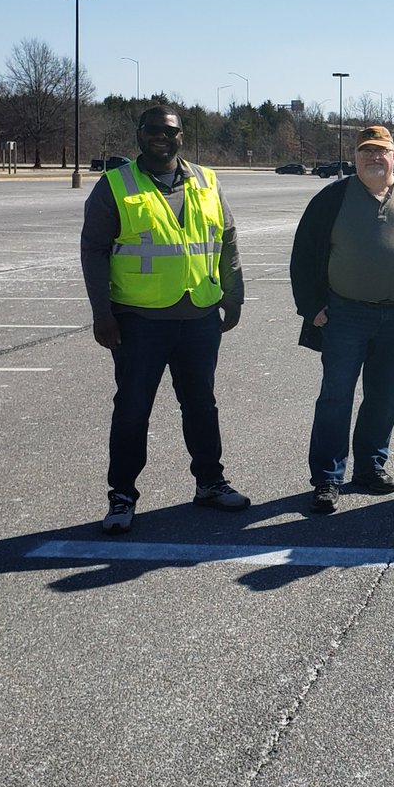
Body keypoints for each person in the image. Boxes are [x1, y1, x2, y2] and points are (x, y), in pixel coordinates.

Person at [81, 105, 249, 535]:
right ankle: (122, 495)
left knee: (201, 405)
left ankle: (210, 482)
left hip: (199, 316)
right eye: (153, 130)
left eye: (170, 131)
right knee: (133, 409)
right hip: (139, 320)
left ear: (181, 137)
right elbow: (94, 251)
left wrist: (234, 294)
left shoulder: (206, 181)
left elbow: (227, 238)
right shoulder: (115, 185)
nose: (162, 137)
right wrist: (102, 313)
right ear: (139, 135)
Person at [289, 125, 394, 514]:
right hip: (345, 315)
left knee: (386, 396)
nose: (374, 158)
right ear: (355, 158)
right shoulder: (332, 198)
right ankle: (328, 477)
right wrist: (311, 306)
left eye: (381, 151)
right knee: (335, 397)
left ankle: (370, 466)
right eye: (366, 152)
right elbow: (303, 254)